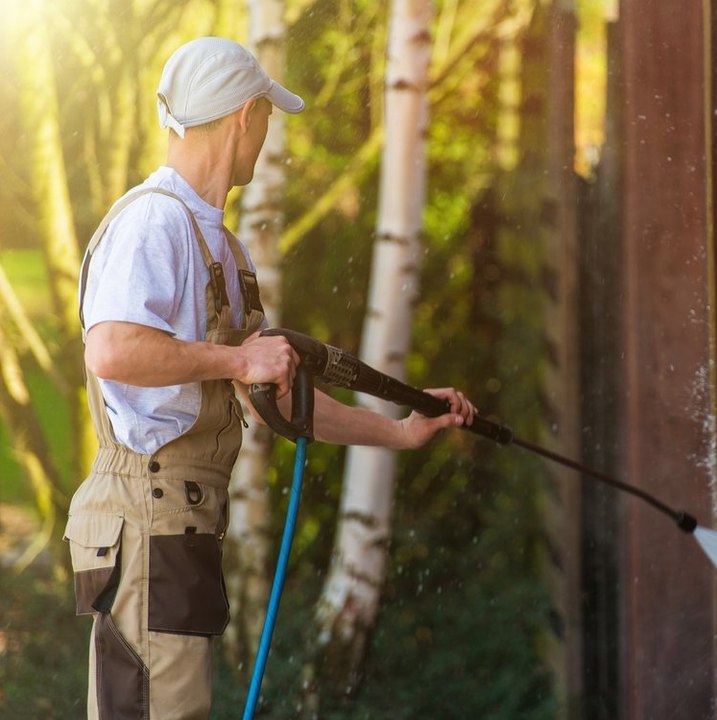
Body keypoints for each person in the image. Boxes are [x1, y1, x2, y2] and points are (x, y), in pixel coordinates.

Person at [65, 36, 475, 719]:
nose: (264, 133)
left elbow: (272, 398)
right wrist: (235, 359)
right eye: (266, 119)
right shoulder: (154, 222)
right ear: (245, 116)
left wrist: (401, 432)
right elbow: (111, 349)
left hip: (179, 523)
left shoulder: (221, 247)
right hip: (145, 513)